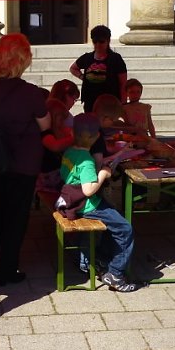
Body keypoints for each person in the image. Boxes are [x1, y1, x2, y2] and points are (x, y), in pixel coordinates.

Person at [0, 33, 51, 286]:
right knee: (16, 216)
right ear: (22, 60)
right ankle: (7, 269)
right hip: (22, 162)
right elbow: (45, 125)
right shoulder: (30, 92)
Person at [60, 113, 139, 292]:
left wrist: (114, 157)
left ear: (72, 133)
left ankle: (100, 257)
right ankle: (115, 273)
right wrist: (103, 173)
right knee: (125, 229)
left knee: (113, 216)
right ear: (97, 137)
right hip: (87, 205)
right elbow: (88, 190)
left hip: (71, 199)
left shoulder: (70, 152)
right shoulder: (87, 160)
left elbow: (72, 175)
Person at [69, 24, 127, 113]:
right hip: (90, 102)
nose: (98, 44)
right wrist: (82, 77)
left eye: (101, 41)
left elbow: (123, 83)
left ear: (108, 41)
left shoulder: (116, 59)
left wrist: (123, 104)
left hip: (110, 102)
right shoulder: (87, 57)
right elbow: (73, 68)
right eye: (95, 41)